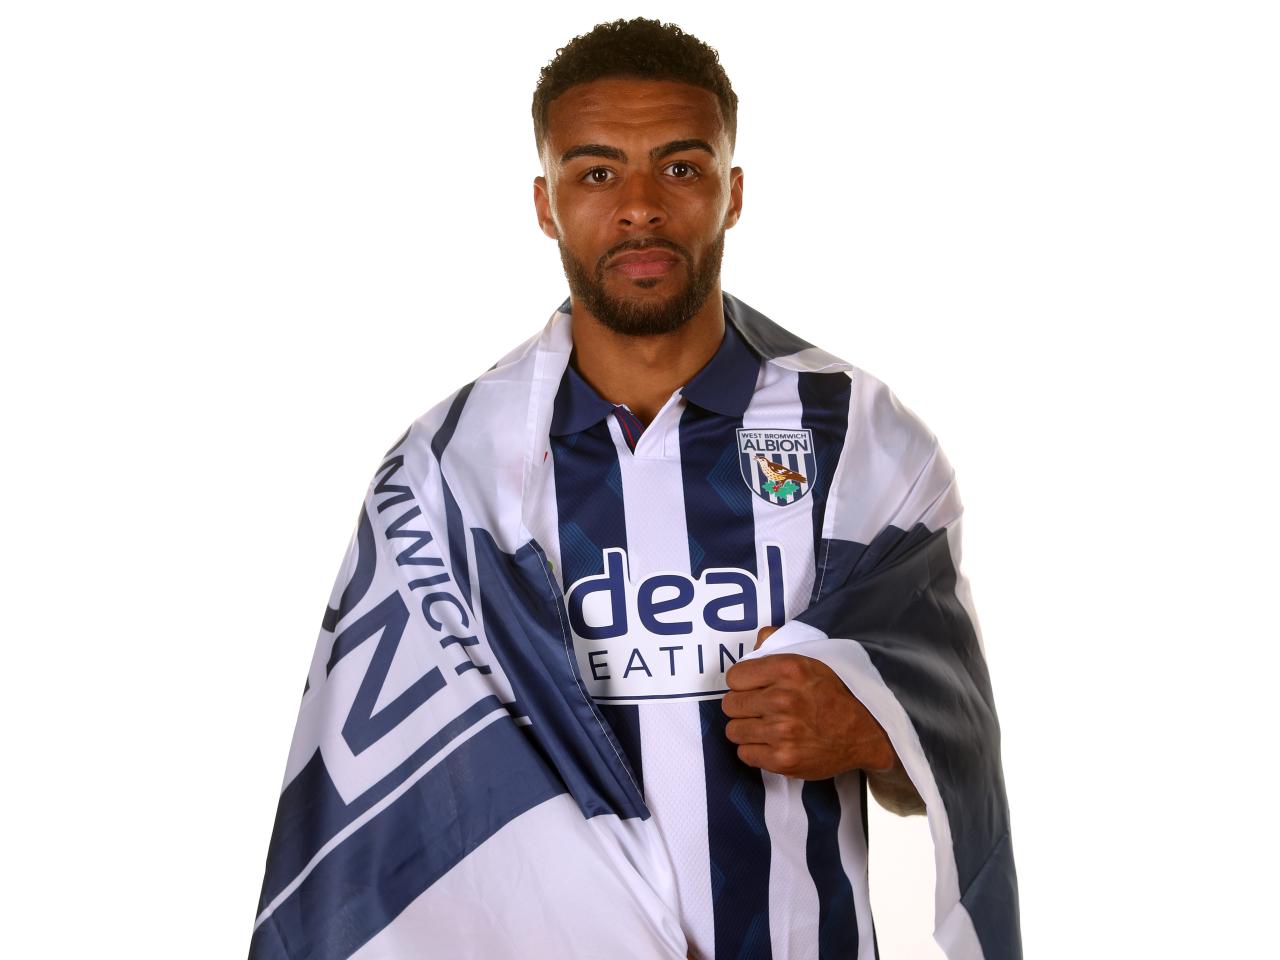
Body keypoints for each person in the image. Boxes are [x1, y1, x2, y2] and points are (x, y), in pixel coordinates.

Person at [249, 17, 1020, 960]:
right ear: (546, 202)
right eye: (598, 172)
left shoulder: (861, 440)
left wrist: (870, 729)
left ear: (733, 194)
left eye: (682, 169)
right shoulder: (450, 474)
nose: (642, 206)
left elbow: (951, 753)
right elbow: (382, 821)